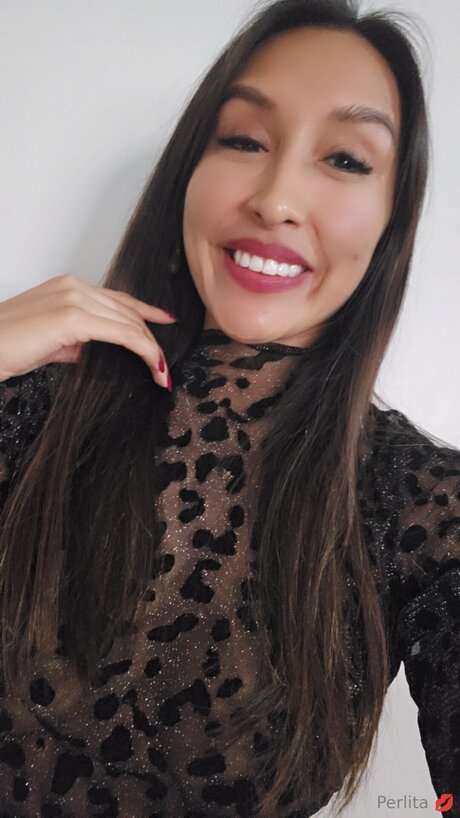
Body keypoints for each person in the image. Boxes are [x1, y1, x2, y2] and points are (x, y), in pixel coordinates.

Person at [0, 0, 458, 815]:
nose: (277, 199)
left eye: (345, 159)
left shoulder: (424, 505)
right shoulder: (36, 406)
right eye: (244, 140)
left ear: (393, 219)